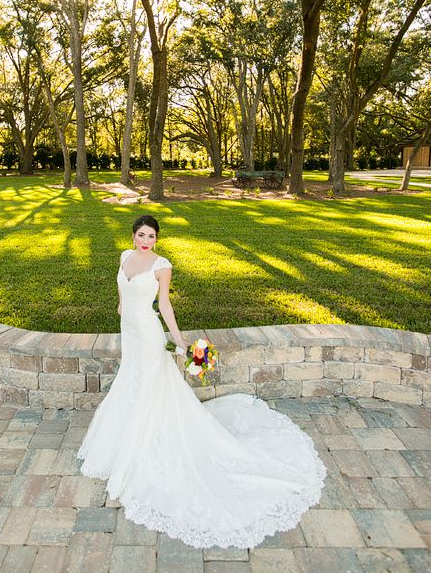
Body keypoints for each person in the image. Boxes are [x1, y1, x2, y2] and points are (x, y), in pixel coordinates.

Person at [77, 214, 327, 549]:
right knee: (131, 377)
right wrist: (122, 305)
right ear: (133, 235)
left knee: (152, 382)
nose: (145, 240)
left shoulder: (161, 266)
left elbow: (164, 304)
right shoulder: (124, 257)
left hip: (150, 334)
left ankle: (149, 436)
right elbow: (121, 289)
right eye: (141, 234)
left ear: (157, 239)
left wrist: (180, 342)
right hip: (129, 333)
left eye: (151, 236)